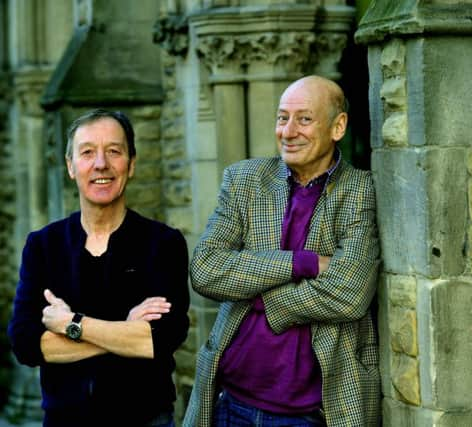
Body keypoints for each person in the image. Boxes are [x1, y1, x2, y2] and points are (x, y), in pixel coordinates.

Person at [184, 75, 381, 427]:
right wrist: (302, 263)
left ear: (338, 127)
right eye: (281, 117)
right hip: (231, 404)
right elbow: (206, 269)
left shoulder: (360, 190)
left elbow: (349, 293)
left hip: (312, 413)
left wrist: (258, 297)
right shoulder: (244, 181)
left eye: (304, 119)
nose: (288, 131)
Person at [8, 109, 190, 427]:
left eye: (114, 151)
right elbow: (25, 343)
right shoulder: (43, 246)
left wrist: (69, 323)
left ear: (131, 164)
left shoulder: (163, 243)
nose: (101, 164)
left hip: (145, 419)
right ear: (70, 166)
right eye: (87, 152)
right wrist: (125, 330)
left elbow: (160, 340)